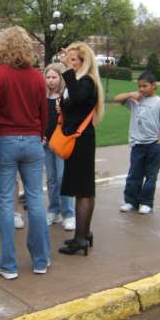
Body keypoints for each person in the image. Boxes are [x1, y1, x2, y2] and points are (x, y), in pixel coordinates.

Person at [0, 26, 50, 279]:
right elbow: (44, 112)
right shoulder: (36, 76)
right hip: (33, 140)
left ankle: (8, 264)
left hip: (5, 140)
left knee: (6, 203)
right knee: (34, 201)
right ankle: (40, 260)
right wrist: (39, 133)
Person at [58, 42, 104, 256]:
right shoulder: (80, 82)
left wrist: (66, 69)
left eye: (75, 60)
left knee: (83, 191)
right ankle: (84, 234)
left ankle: (80, 238)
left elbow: (76, 98)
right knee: (82, 189)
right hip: (79, 141)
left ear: (85, 62)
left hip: (81, 142)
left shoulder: (87, 81)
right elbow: (72, 103)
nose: (71, 63)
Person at [115, 71, 160, 215]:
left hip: (153, 144)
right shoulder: (135, 101)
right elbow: (117, 99)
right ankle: (131, 201)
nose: (141, 89)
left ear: (153, 85)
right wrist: (130, 94)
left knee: (151, 176)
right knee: (134, 174)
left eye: (144, 86)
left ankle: (146, 202)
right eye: (139, 86)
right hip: (137, 144)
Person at [44, 63, 75, 230]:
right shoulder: (43, 98)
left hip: (61, 143)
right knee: (51, 179)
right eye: (48, 77)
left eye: (54, 77)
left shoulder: (64, 97)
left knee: (63, 177)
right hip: (46, 144)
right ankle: (53, 210)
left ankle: (68, 213)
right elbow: (39, 119)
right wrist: (40, 135)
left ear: (60, 78)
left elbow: (72, 120)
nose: (50, 80)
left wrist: (62, 109)